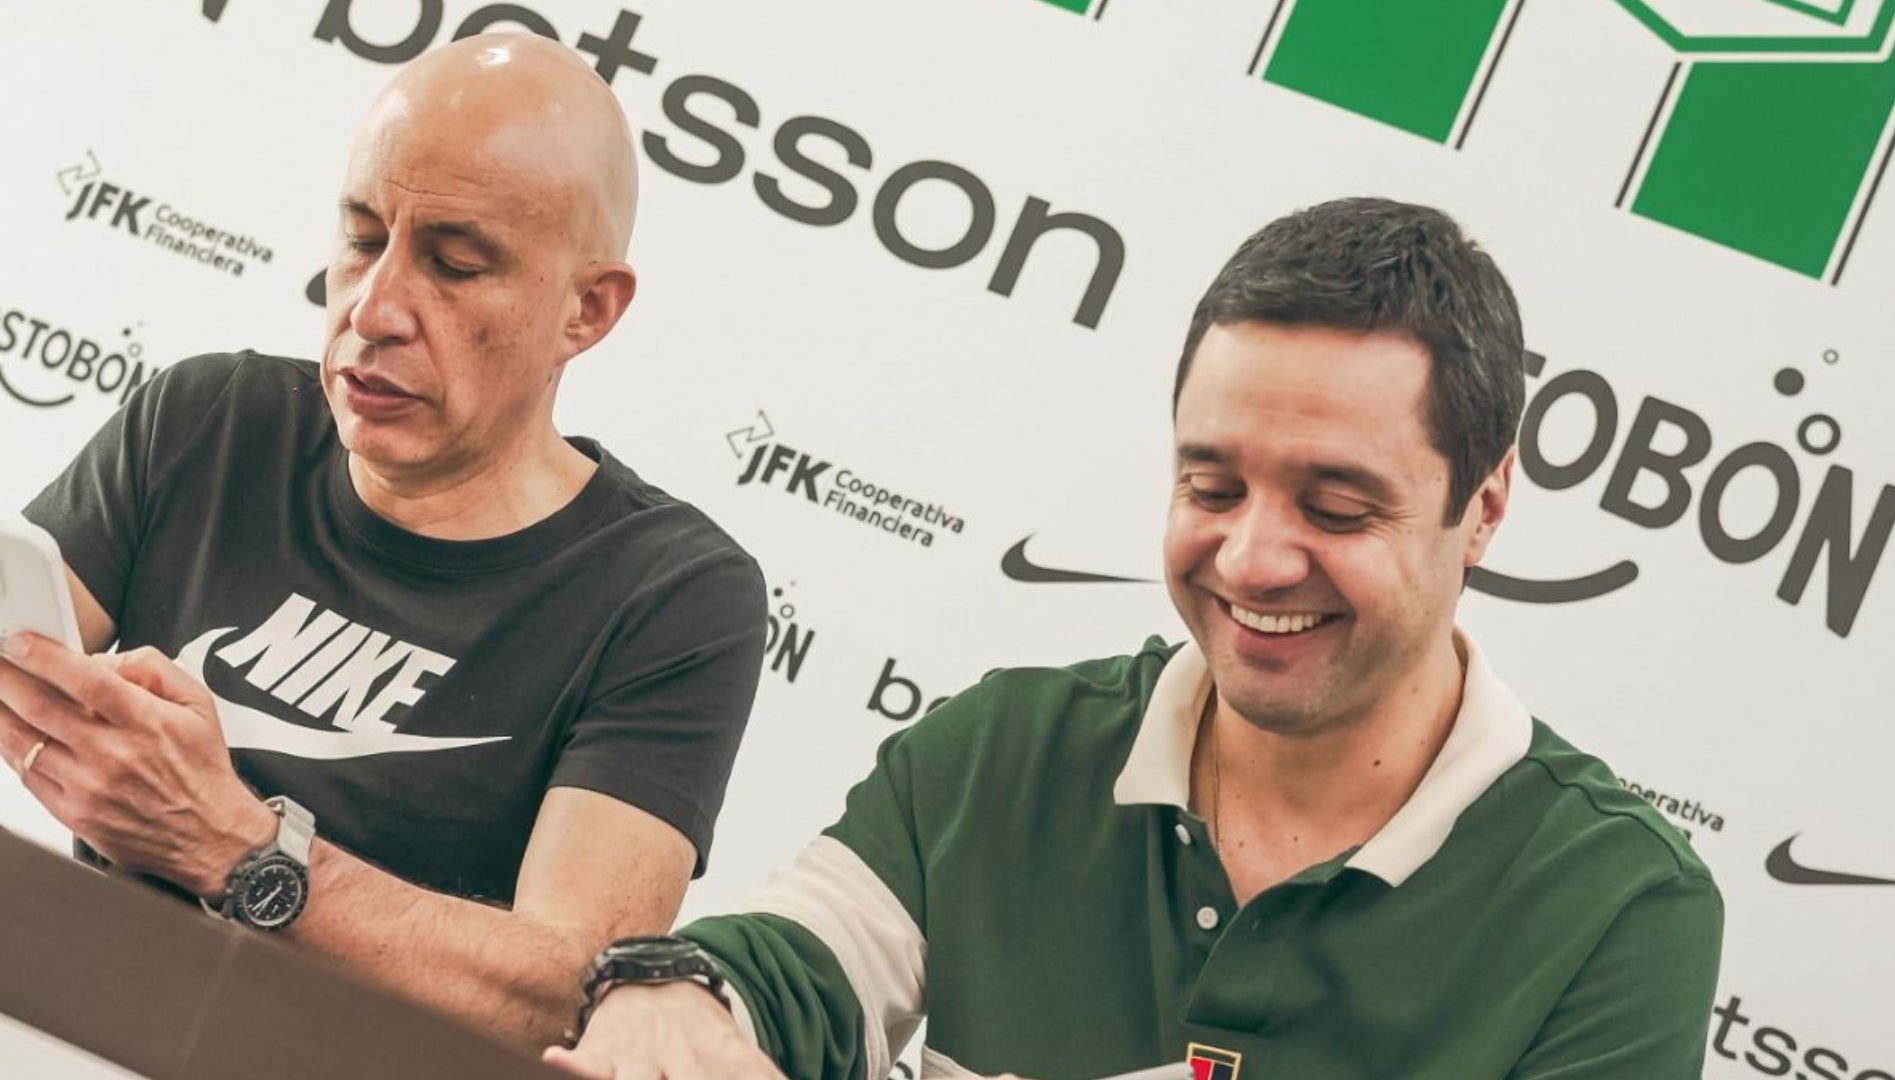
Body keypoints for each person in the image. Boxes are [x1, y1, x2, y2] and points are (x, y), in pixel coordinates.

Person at [547, 198, 1723, 1079]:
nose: (1253, 560)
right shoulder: (1005, 747)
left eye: (1336, 508)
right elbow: (793, 960)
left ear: (1486, 505)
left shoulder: (1618, 908)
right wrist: (675, 996)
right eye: (1212, 488)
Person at [0, 33, 765, 1050]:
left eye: (456, 265)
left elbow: (570, 992)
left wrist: (239, 847)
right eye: (362, 239)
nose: (375, 308)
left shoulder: (672, 593)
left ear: (587, 310)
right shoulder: (212, 419)